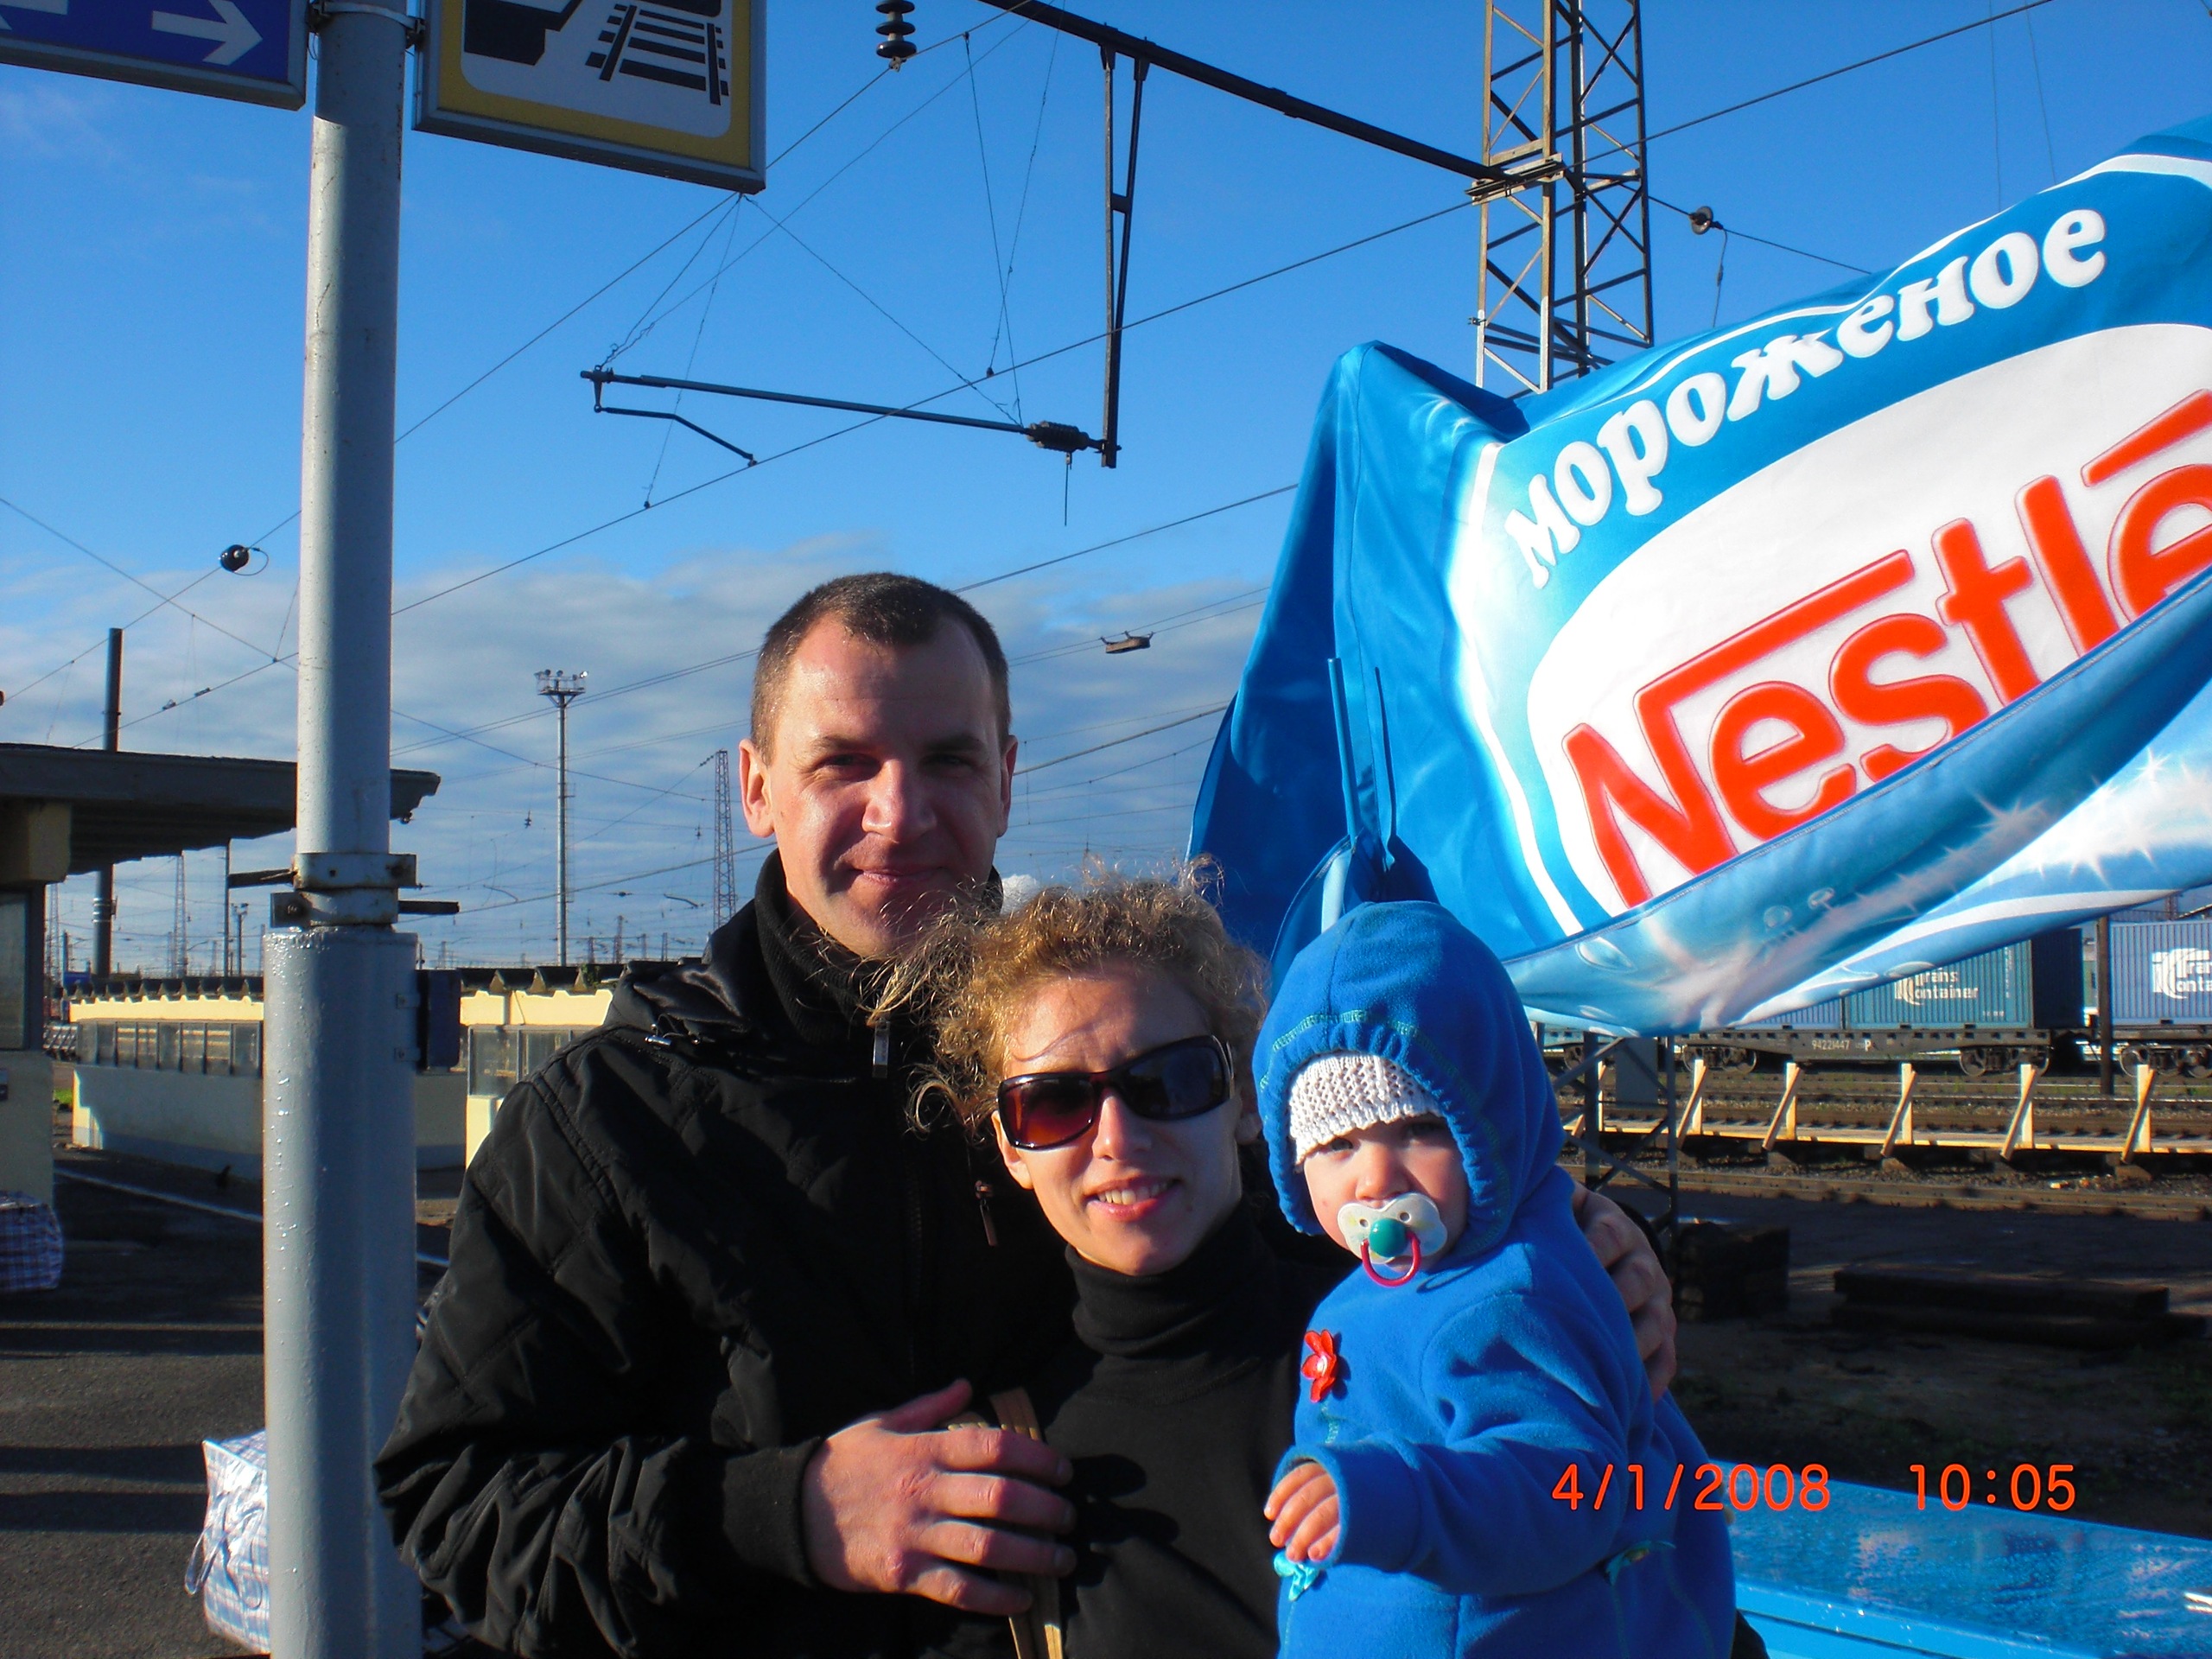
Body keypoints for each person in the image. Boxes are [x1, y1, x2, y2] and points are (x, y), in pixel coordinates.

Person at [376, 573, 1681, 1659]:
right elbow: (459, 1511)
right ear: (757, 789)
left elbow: (1349, 1216)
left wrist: (1541, 1242)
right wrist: (788, 1513)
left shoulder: (1118, 1047)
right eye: (843, 764)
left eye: (948, 759)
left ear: (1004, 776)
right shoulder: (608, 1125)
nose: (901, 813)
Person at [890, 873, 1752, 1659]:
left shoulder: (1418, 1326)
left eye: (1168, 1080)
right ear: (1009, 1145)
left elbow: (1640, 1575)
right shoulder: (996, 1462)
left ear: (1244, 1101)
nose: (1117, 1137)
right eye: (1053, 1102)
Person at [1256, 901, 1735, 1657]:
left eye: (1420, 1128)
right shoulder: (1396, 1283)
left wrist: (1396, 1496)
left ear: (1494, 1122)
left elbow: (1566, 1486)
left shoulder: (1507, 1297)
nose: (1376, 1179)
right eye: (1337, 1144)